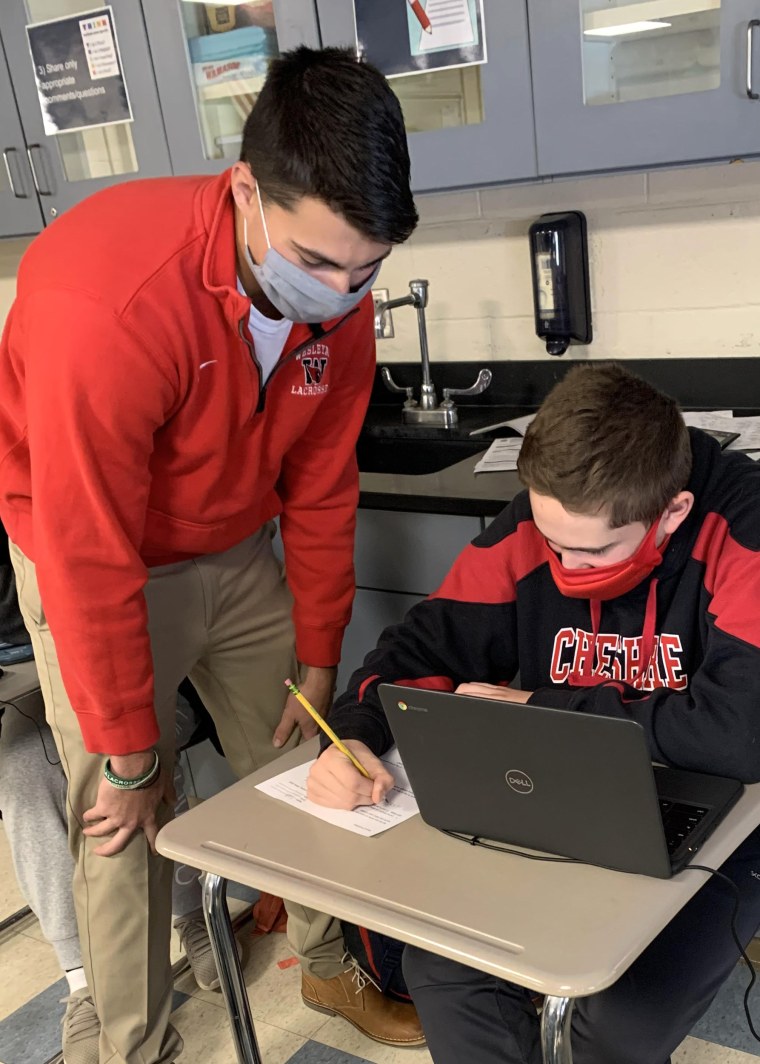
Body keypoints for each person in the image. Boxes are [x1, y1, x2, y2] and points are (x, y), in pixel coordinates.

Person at [0, 45, 420, 1064]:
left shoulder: (342, 296)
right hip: (98, 554)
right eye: (319, 263)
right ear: (245, 193)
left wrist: (318, 649)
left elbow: (322, 484)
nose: (342, 291)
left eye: (367, 268)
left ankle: (326, 963)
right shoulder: (108, 303)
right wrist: (137, 754)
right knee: (119, 812)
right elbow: (86, 547)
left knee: (305, 756)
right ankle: (130, 1038)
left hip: (233, 550)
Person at [307, 362, 760, 1064]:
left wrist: (543, 707)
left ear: (671, 512)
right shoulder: (549, 515)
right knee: (446, 972)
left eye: (593, 550)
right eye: (553, 545)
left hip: (722, 815)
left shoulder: (746, 529)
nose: (565, 568)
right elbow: (421, 650)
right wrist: (356, 737)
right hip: (559, 787)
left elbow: (741, 734)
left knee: (619, 1024)